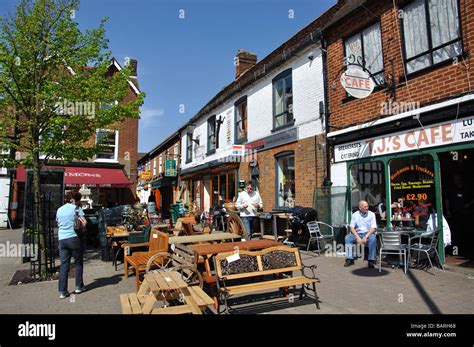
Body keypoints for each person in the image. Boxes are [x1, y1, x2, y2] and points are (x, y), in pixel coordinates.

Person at [56, 191, 87, 299]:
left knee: (64, 266)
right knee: (78, 263)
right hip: (74, 238)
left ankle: (62, 291)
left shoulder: (59, 209)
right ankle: (79, 287)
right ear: (76, 200)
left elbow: (58, 223)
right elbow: (84, 222)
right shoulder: (76, 209)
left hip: (62, 239)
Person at [344, 200, 377, 268]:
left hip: (368, 233)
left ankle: (371, 260)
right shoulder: (355, 215)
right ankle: (350, 259)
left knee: (373, 238)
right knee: (347, 238)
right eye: (365, 207)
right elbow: (352, 228)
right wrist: (358, 238)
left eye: (367, 206)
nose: (367, 208)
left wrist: (366, 236)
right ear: (360, 208)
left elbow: (373, 227)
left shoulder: (371, 214)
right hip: (358, 234)